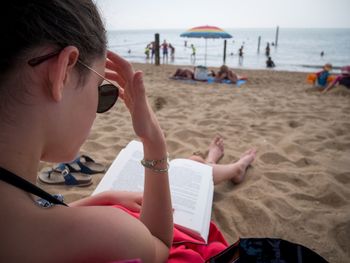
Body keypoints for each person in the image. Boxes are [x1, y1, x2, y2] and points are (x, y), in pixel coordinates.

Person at [0, 2, 257, 262]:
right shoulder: (106, 233)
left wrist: (104, 198)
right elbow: (158, 242)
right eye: (101, 88)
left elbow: (42, 210)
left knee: (194, 164)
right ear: (63, 72)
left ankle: (215, 163)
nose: (100, 103)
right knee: (192, 166)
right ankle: (229, 166)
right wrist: (154, 141)